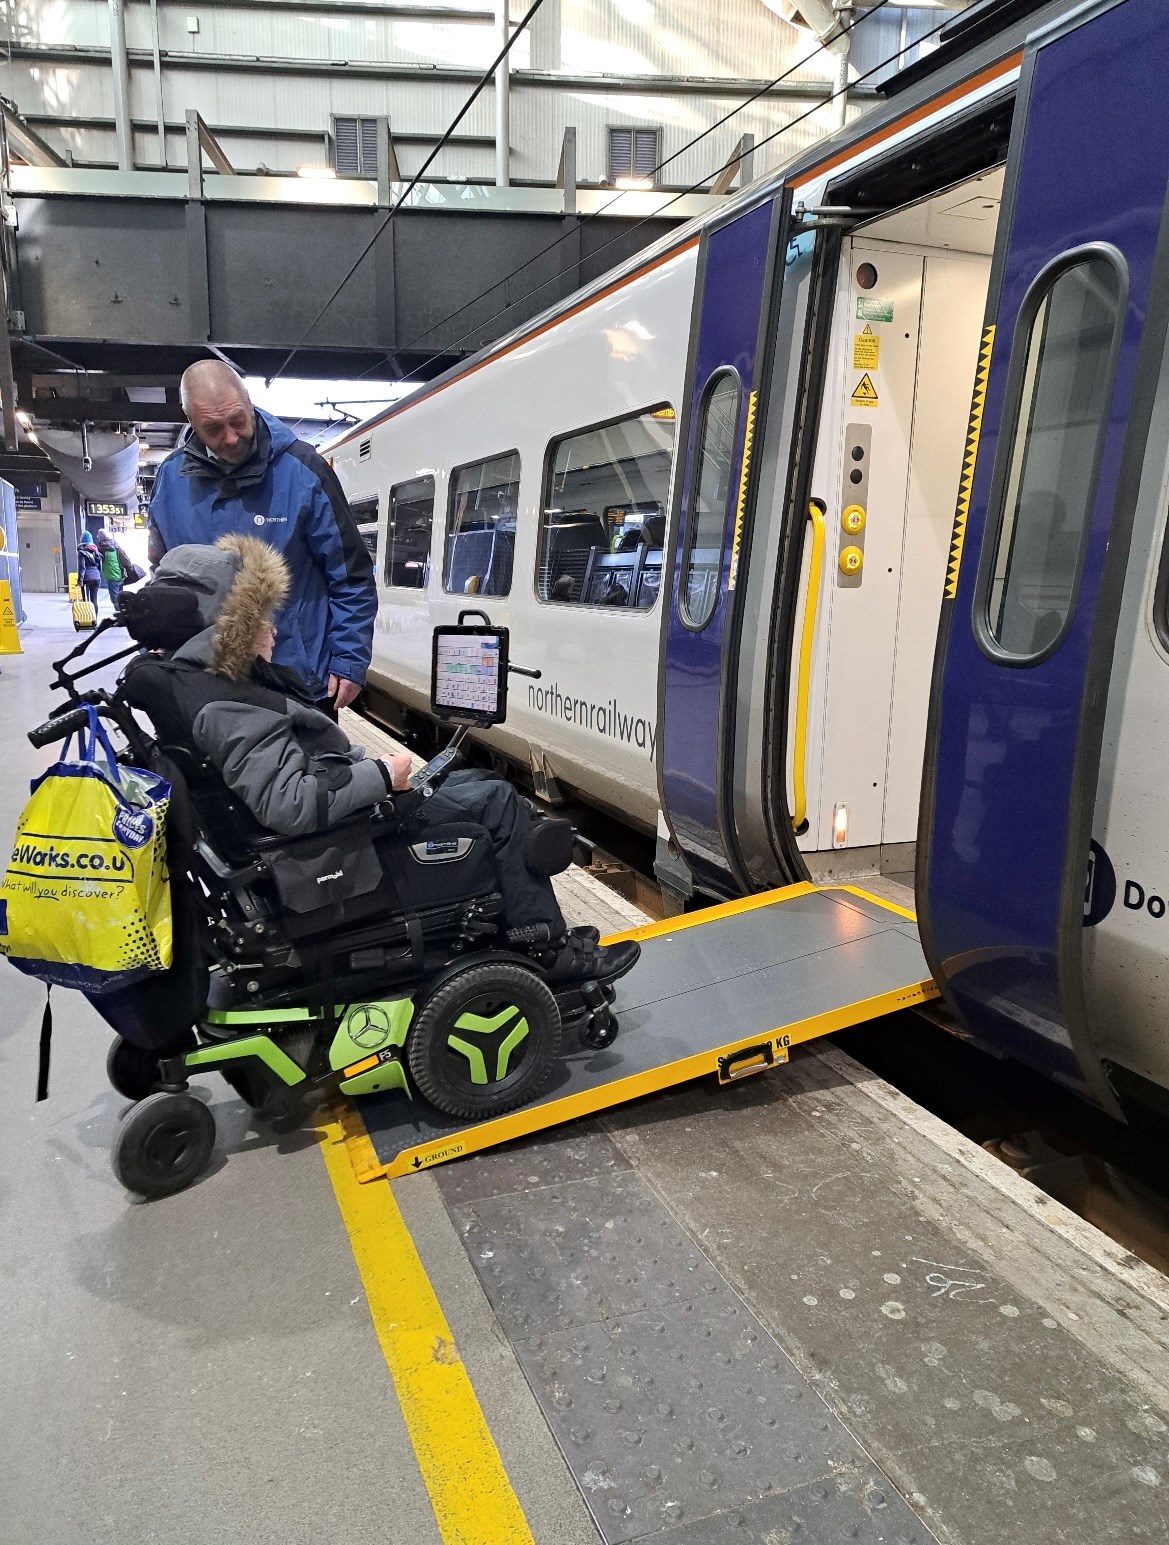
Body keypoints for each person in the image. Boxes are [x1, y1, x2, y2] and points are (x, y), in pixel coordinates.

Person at [140, 536, 638, 986]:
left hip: (334, 823)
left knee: (472, 782)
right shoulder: (227, 705)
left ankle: (522, 926)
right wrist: (381, 775)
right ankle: (546, 948)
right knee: (499, 802)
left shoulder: (190, 685)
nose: (270, 626)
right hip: (338, 845)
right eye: (258, 616)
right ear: (227, 628)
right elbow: (288, 805)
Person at [148, 360, 377, 715]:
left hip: (296, 682)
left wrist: (349, 659)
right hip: (205, 682)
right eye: (213, 428)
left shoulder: (302, 470)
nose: (230, 437)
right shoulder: (170, 480)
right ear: (190, 421)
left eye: (238, 420)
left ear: (250, 404)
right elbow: (163, 575)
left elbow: (351, 576)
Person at [95, 530, 125, 612]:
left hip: (112, 576)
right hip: (120, 573)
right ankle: (124, 613)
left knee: (115, 599)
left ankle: (121, 616)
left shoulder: (102, 548)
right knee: (121, 598)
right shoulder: (115, 545)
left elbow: (97, 561)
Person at [78, 530, 102, 613]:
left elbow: (82, 568)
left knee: (85, 601)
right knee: (94, 600)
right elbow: (100, 566)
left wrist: (80, 581)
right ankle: (94, 620)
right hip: (96, 577)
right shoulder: (96, 551)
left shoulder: (82, 552)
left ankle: (87, 619)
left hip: (86, 578)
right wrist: (98, 575)